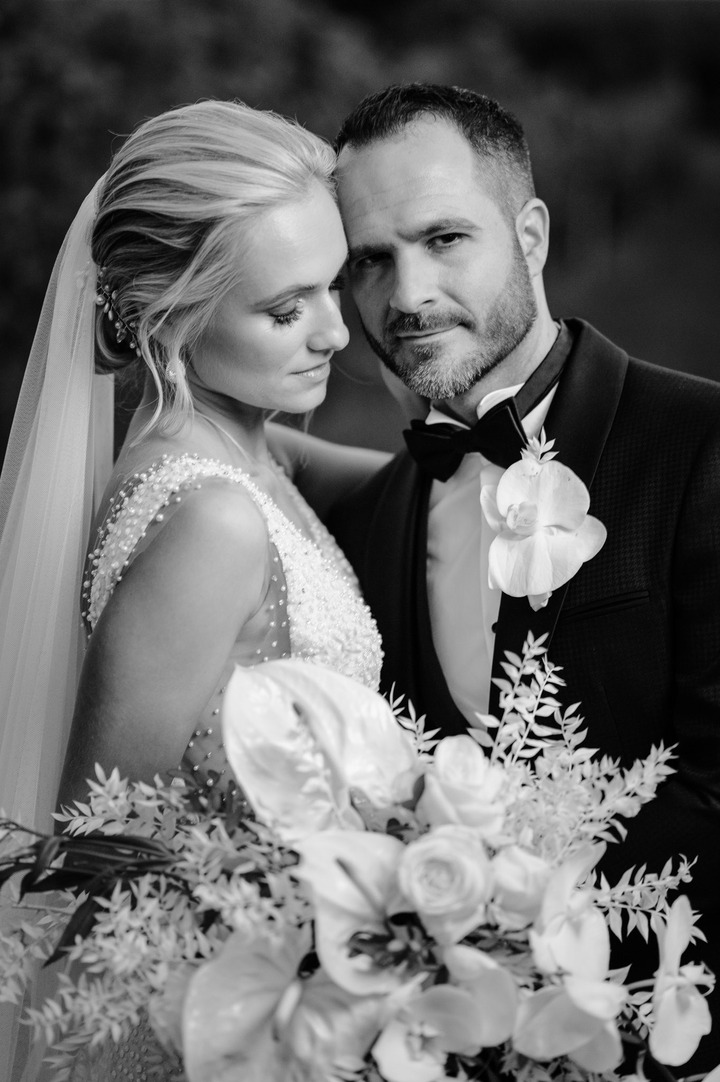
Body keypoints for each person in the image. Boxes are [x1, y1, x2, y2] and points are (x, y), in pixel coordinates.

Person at [327, 82, 720, 1077]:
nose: (406, 295)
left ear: (531, 233)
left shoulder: (702, 446)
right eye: (370, 258)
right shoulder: (363, 525)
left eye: (445, 237)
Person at [0, 98, 386, 1082]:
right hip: (208, 1036)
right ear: (170, 319)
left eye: (334, 284)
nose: (337, 330)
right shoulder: (210, 520)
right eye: (285, 307)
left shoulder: (250, 449)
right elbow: (99, 864)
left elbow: (413, 479)